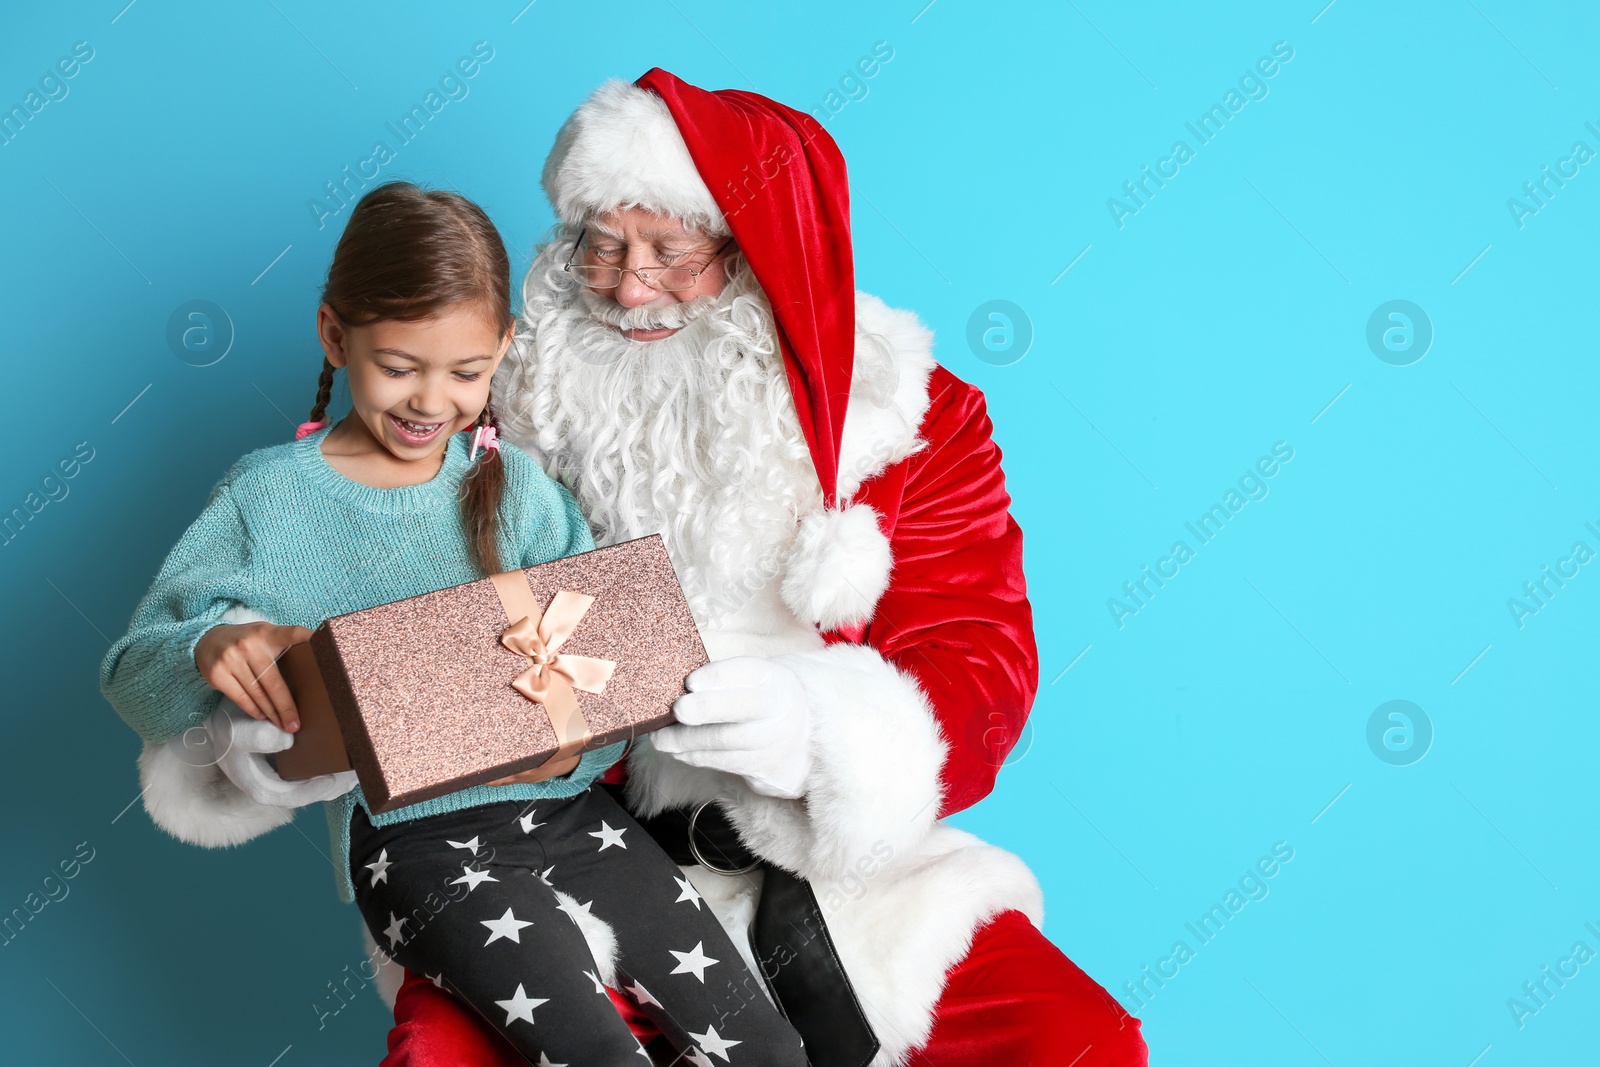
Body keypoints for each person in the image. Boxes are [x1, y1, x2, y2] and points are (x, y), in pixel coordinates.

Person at [129, 74, 1150, 1065]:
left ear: (754, 256)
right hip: (556, 846)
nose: (626, 286)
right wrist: (270, 730)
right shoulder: (490, 400)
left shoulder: (911, 421)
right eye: (599, 247)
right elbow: (330, 602)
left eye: (670, 250)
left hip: (844, 876)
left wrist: (823, 735)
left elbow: (980, 660)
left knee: (1080, 1042)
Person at [98, 181, 807, 1066]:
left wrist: (567, 746)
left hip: (565, 815)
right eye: (400, 366)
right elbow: (133, 676)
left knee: (768, 1046)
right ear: (334, 336)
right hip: (415, 848)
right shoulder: (269, 494)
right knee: (595, 1050)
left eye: (467, 373)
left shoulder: (521, 493)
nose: (431, 400)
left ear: (502, 352)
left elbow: (605, 677)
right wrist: (207, 645)